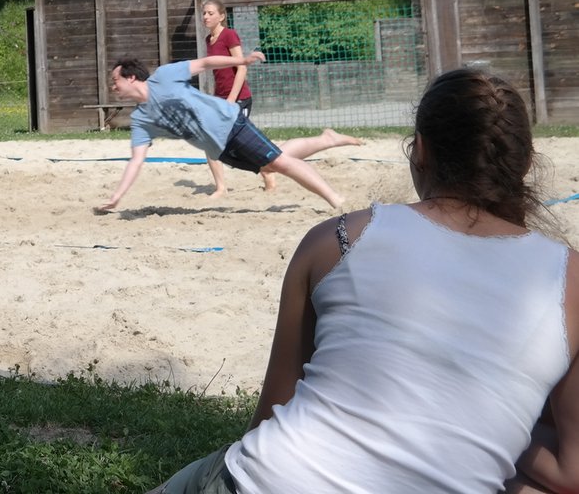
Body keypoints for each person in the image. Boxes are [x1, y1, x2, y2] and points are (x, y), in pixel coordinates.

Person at [154, 69, 579, 494]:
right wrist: (495, 427)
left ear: (421, 150)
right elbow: (569, 473)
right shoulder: (570, 280)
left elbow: (272, 412)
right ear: (525, 163)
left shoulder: (339, 239)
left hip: (268, 480)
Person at [94, 55, 355, 213]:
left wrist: (241, 61)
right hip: (219, 149)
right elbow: (137, 160)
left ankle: (336, 200)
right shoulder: (141, 119)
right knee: (272, 164)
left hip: (230, 124)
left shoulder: (163, 76)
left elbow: (205, 63)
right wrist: (117, 196)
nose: (113, 87)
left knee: (280, 163)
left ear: (131, 77)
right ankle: (327, 139)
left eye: (115, 81)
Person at [200, 0, 260, 198]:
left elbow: (241, 67)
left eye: (210, 13)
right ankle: (221, 187)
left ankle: (268, 173)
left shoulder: (229, 35)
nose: (206, 17)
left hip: (239, 98)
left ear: (221, 16)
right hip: (221, 99)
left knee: (242, 144)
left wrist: (231, 100)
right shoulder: (209, 40)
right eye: (204, 13)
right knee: (209, 140)